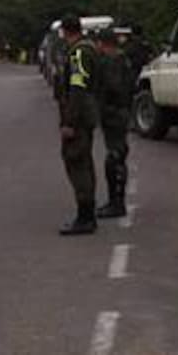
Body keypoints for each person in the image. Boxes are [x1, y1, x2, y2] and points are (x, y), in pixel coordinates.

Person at [56, 15, 99, 235]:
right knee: (84, 161)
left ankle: (85, 216)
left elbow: (77, 88)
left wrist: (69, 121)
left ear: (65, 31)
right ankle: (87, 214)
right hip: (87, 113)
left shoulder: (79, 52)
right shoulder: (89, 48)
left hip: (79, 116)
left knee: (76, 162)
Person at [95, 27, 133, 219]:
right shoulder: (123, 59)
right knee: (117, 155)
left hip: (114, 113)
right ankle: (115, 201)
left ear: (103, 44)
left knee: (115, 158)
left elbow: (113, 86)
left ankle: (116, 203)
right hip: (120, 111)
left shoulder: (112, 61)